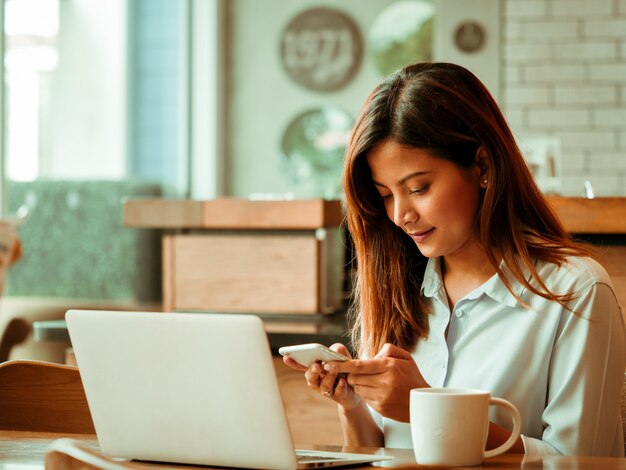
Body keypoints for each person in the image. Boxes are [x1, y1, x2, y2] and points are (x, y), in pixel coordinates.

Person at [283, 62, 626, 456]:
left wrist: (427, 406)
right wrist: (353, 404)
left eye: (418, 187)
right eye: (385, 194)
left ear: (481, 166)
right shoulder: (398, 289)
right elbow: (374, 456)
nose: (400, 215)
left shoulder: (575, 292)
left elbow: (582, 463)